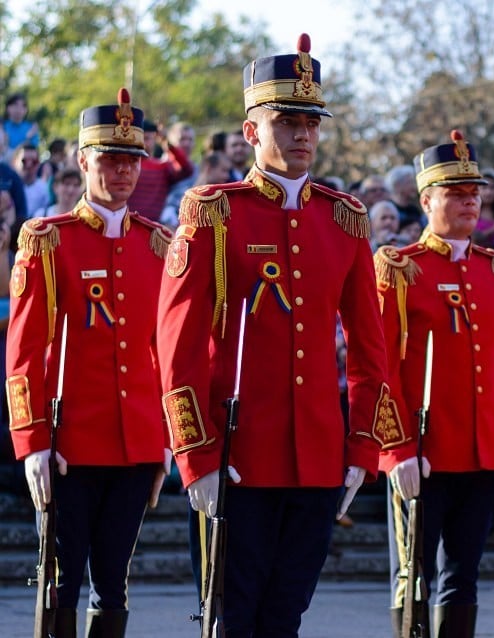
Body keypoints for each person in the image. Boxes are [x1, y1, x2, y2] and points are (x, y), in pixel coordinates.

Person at [156, 34, 390, 636]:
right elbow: (176, 345)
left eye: (311, 121)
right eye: (286, 121)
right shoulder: (215, 212)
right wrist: (194, 454)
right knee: (232, 618)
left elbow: (370, 350)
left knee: (286, 615)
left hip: (317, 457)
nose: (302, 133)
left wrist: (363, 448)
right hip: (236, 456)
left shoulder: (344, 220)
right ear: (252, 131)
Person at [6, 87, 172, 637]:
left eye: (132, 160)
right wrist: (31, 441)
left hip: (135, 444)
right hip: (68, 444)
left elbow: (163, 351)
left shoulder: (158, 245)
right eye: (109, 159)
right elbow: (23, 353)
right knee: (61, 579)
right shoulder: (49, 241)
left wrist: (166, 438)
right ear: (83, 161)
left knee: (114, 580)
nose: (123, 171)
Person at [375, 129, 494, 638]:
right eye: (455, 193)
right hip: (424, 451)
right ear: (425, 200)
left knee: (464, 576)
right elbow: (380, 368)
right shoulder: (400, 269)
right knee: (412, 575)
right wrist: (396, 449)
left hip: (482, 451)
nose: (469, 201)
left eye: (475, 192)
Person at [126, 119, 193, 221]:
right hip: (127, 225)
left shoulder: (162, 167)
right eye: (140, 138)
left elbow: (187, 169)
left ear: (155, 140)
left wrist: (167, 143)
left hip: (153, 228)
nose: (143, 143)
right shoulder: (125, 165)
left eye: (147, 138)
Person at [2, 92, 40, 162]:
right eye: (15, 105)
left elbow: (32, 154)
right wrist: (27, 138)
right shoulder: (2, 127)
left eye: (23, 106)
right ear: (8, 107)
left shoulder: (31, 128)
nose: (19, 109)